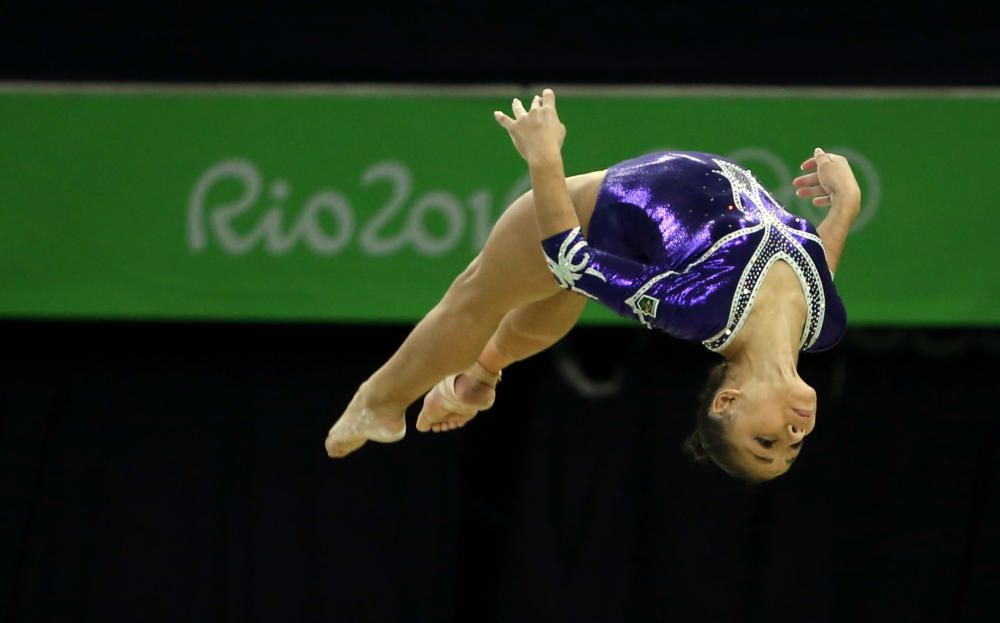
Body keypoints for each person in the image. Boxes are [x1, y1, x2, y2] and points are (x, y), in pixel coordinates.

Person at [325, 88, 860, 482]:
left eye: (764, 441)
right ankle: (480, 376)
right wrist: (846, 205)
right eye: (792, 449)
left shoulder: (701, 309)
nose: (793, 436)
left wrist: (544, 159)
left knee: (477, 298)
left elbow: (569, 260)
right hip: (637, 238)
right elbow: (819, 265)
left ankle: (378, 402)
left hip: (582, 211)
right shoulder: (821, 326)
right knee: (561, 299)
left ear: (727, 402)